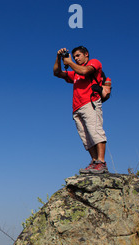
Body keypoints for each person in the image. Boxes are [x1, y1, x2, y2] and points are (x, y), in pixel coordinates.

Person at [53, 46, 109, 174]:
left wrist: (70, 63)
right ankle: (95, 162)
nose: (76, 58)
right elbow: (57, 73)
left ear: (86, 54)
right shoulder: (74, 73)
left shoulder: (94, 62)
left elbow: (84, 71)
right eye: (75, 56)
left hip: (90, 103)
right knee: (86, 137)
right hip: (77, 107)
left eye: (78, 55)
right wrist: (58, 58)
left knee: (95, 131)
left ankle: (101, 162)